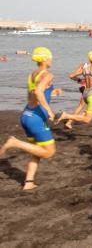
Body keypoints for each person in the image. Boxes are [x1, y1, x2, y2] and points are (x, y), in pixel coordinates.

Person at [0, 47, 61, 190]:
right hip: (36, 119)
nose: (51, 60)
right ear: (45, 59)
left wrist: (52, 93)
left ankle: (28, 182)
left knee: (36, 151)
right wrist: (49, 111)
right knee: (49, 152)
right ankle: (15, 142)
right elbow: (39, 92)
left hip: (27, 115)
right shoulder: (48, 75)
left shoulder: (33, 74)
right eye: (50, 57)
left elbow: (34, 95)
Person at [56, 51, 92, 139]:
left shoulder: (84, 67)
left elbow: (71, 76)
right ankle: (66, 116)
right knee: (87, 119)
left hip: (85, 93)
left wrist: (80, 80)